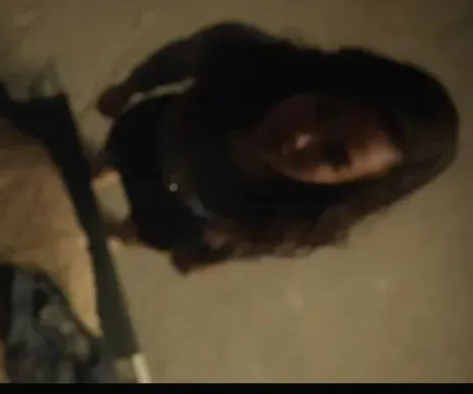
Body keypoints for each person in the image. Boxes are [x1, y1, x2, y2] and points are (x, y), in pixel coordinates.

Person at [92, 21, 459, 274]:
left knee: (142, 230)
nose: (299, 137)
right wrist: (131, 86)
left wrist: (208, 257)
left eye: (332, 156)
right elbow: (180, 58)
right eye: (324, 110)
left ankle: (118, 232)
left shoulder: (300, 216)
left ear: (348, 187)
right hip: (149, 133)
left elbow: (258, 242)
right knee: (112, 158)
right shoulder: (245, 56)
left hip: (177, 217)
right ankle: (102, 171)